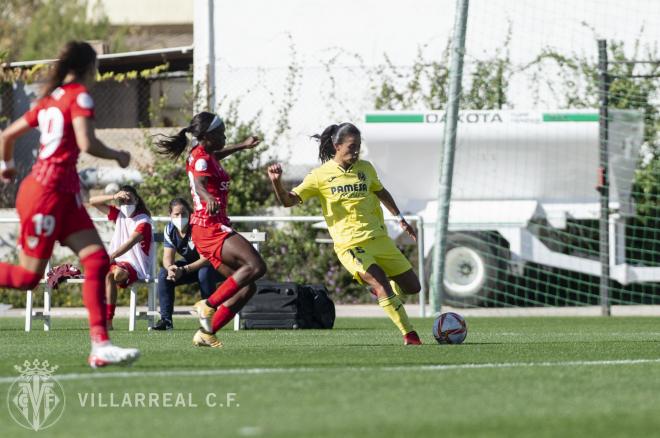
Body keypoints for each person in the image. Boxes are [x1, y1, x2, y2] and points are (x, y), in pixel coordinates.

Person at [0, 41, 140, 366]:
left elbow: (7, 136)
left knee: (96, 261)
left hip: (64, 194)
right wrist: (118, 155)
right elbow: (86, 142)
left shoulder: (48, 100)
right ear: (90, 67)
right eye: (97, 67)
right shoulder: (80, 95)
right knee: (26, 278)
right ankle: (100, 344)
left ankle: (100, 345)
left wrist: (6, 167)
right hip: (46, 194)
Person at [268, 122, 423, 345]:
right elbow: (288, 201)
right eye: (351, 146)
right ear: (336, 145)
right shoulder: (320, 176)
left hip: (379, 239)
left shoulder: (366, 168)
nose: (356, 150)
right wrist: (277, 184)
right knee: (381, 283)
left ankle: (384, 293)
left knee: (412, 287)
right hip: (350, 245)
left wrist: (400, 219)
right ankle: (409, 334)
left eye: (359, 146)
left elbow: (381, 192)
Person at [155, 111, 267, 347]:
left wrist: (242, 146)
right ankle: (207, 304)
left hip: (210, 227)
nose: (225, 136)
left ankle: (207, 333)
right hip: (210, 227)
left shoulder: (206, 154)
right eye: (222, 133)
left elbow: (216, 156)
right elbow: (199, 182)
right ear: (208, 136)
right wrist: (207, 197)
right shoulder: (201, 159)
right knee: (256, 266)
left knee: (247, 287)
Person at [153, 197, 224, 331]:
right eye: (176, 214)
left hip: (217, 265)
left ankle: (209, 320)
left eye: (184, 214)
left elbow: (207, 259)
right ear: (170, 215)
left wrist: (184, 269)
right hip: (192, 267)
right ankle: (166, 321)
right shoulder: (169, 229)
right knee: (163, 274)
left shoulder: (198, 226)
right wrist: (171, 268)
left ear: (191, 213)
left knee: (204, 272)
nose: (180, 217)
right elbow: (167, 257)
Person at [90, 185, 154, 330]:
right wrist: (113, 197)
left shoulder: (143, 220)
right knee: (107, 274)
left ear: (137, 200)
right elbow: (93, 201)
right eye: (123, 201)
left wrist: (112, 256)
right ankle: (106, 321)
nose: (126, 204)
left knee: (113, 274)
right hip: (117, 262)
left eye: (129, 200)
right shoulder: (119, 215)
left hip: (135, 266)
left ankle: (107, 320)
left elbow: (131, 242)